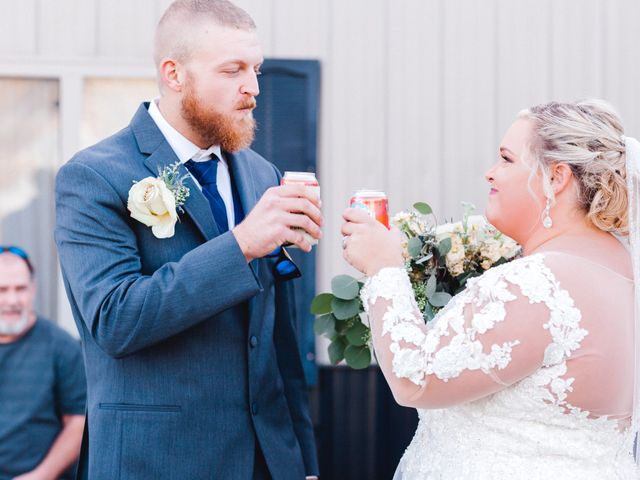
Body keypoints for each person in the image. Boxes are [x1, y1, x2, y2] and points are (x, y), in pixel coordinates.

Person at [54, 0, 321, 478]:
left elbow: (281, 338)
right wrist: (240, 245)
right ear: (174, 74)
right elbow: (116, 320)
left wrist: (302, 461)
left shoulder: (263, 175)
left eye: (256, 69)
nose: (253, 88)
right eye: (232, 70)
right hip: (155, 460)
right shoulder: (93, 175)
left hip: (265, 461)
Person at [341, 99, 640, 478]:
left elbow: (415, 380)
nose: (490, 173)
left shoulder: (536, 285)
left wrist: (383, 266)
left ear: (556, 177)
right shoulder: (622, 269)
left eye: (506, 159)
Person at [0, 246, 85, 480]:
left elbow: (79, 422)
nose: (12, 300)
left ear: (33, 289)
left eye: (20, 289)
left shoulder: (61, 346)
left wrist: (41, 475)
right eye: (2, 290)